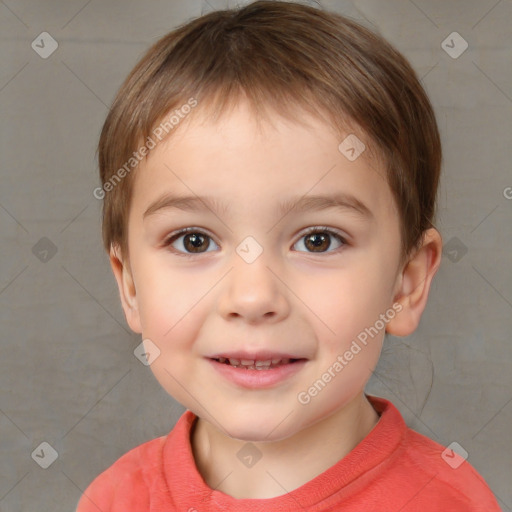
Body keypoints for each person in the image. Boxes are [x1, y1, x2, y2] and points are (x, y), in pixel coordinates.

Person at [77, 1, 501, 510]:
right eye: (194, 240)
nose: (253, 298)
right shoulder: (114, 499)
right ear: (129, 286)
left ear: (406, 282)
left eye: (318, 240)